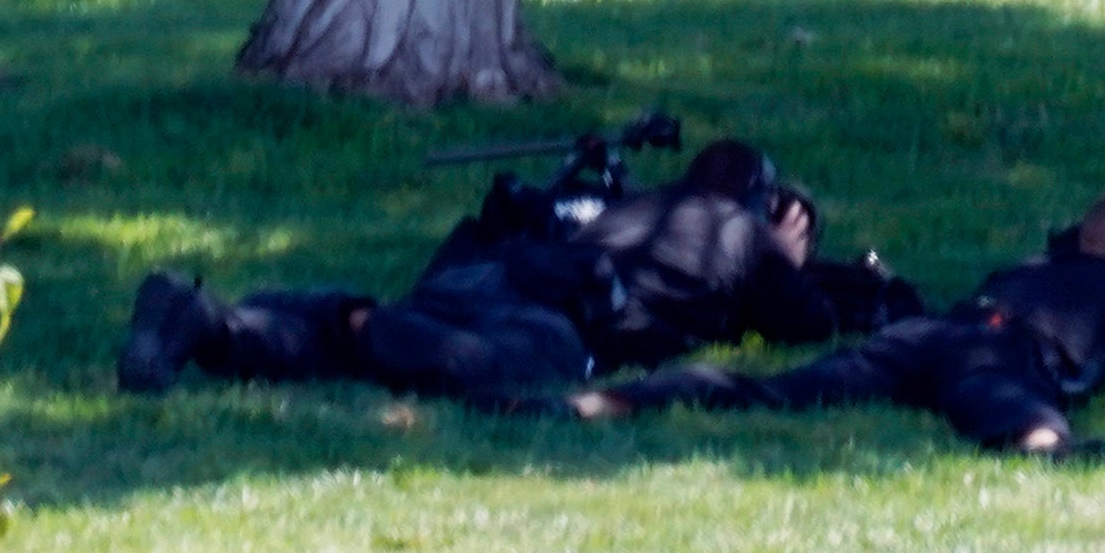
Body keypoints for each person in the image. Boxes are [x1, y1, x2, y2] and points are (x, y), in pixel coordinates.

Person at [116, 138, 874, 401]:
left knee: (344, 344)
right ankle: (380, 331)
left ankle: (213, 322)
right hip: (554, 319)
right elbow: (806, 325)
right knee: (494, 369)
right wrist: (784, 257)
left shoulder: (636, 208)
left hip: (498, 272)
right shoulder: (739, 237)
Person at [561, 181, 1105, 458]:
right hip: (1004, 353)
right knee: (1007, 402)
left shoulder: (1026, 271)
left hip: (930, 332)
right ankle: (1047, 448)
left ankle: (609, 399)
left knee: (787, 389)